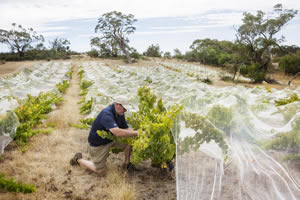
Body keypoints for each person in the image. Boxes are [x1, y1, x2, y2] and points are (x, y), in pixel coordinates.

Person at [70, 95, 141, 176]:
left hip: (111, 139)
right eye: (124, 108)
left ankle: (127, 165)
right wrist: (137, 133)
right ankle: (78, 159)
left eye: (126, 109)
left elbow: (126, 129)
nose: (125, 111)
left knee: (129, 139)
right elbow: (116, 132)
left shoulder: (120, 113)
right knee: (100, 171)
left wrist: (140, 131)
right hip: (98, 144)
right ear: (116, 104)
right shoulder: (106, 114)